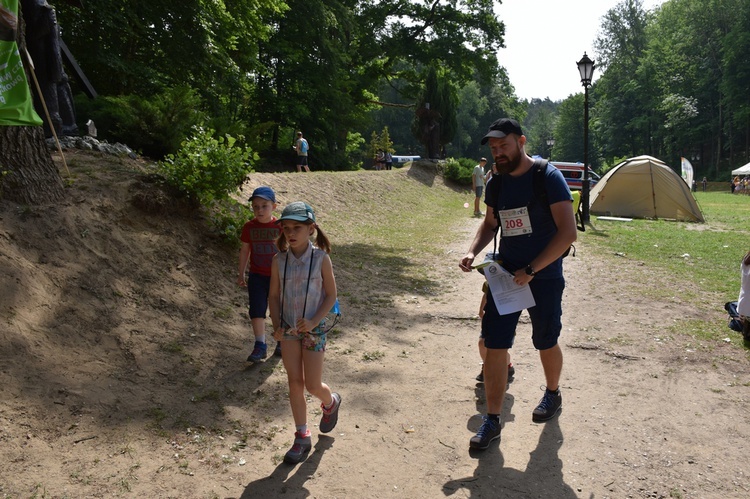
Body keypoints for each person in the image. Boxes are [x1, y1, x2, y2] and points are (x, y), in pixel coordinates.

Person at [459, 118, 577, 451]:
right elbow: (490, 223)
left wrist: (532, 268)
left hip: (545, 275)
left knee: (545, 339)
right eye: (493, 148)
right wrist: (472, 251)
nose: (498, 152)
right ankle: (492, 420)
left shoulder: (547, 177)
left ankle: (552, 393)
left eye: (503, 146)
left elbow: (568, 234)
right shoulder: (496, 183)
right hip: (507, 274)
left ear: (521, 141)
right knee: (495, 344)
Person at [269, 201, 341, 464]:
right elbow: (274, 295)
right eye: (286, 227)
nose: (290, 232)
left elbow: (331, 295)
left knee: (312, 385)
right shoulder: (279, 261)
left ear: (311, 229)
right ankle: (302, 435)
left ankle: (330, 402)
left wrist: (312, 322)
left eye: (297, 227)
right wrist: (276, 325)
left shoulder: (321, 258)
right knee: (294, 383)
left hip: (315, 330)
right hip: (288, 329)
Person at [238, 186, 281, 361]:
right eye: (256, 206)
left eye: (264, 205)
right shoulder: (249, 227)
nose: (259, 210)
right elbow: (245, 251)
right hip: (256, 276)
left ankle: (281, 341)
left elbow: (288, 251)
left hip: (278, 277)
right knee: (256, 309)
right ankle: (260, 345)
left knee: (278, 310)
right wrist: (241, 273)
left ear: (274, 207)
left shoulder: (281, 227)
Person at [476, 282, 514, 384]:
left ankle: (508, 366)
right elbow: (485, 295)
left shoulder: (509, 281)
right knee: (482, 343)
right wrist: (481, 310)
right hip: (489, 318)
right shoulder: (488, 283)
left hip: (505, 318)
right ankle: (486, 366)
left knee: (500, 348)